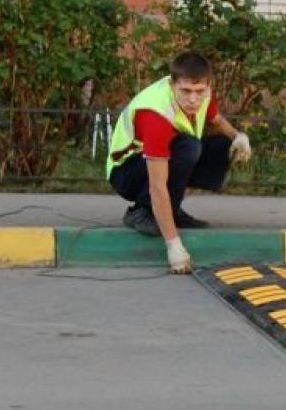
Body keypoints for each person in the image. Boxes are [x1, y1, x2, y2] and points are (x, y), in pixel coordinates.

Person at [106, 52, 253, 274]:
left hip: (158, 157)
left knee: (222, 144)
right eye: (185, 91)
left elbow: (217, 120)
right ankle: (141, 212)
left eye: (199, 91)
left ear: (207, 85)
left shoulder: (202, 95)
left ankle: (172, 210)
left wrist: (238, 137)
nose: (193, 99)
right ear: (172, 84)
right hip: (127, 171)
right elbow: (157, 185)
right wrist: (174, 246)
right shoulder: (155, 114)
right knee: (189, 148)